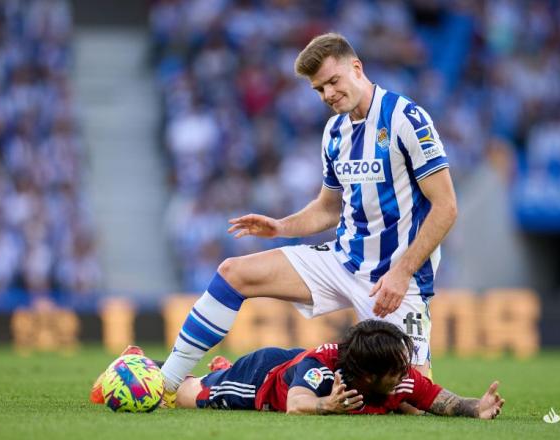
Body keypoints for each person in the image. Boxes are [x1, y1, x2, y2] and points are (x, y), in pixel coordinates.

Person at [160, 32, 457, 405]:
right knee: (234, 273)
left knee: (408, 398)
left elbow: (445, 206)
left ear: (357, 68)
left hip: (395, 278)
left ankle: (216, 374)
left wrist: (402, 272)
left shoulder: (406, 119)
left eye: (333, 82)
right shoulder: (335, 132)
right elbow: (329, 208)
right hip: (343, 260)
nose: (328, 94)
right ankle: (167, 381)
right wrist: (280, 227)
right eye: (319, 89)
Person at [92, 321, 504, 418]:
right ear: (367, 374)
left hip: (287, 366)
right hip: (264, 379)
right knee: (185, 396)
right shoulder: (320, 370)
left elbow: (441, 400)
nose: (406, 375)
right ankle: (141, 365)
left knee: (409, 406)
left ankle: (219, 366)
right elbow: (296, 404)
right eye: (396, 370)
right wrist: (328, 406)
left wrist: (476, 406)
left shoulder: (397, 376)